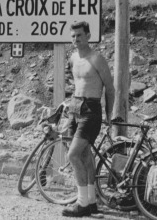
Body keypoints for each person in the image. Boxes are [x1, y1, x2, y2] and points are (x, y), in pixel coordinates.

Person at [62, 21, 115, 217]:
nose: (76, 39)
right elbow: (76, 83)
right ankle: (91, 202)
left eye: (80, 35)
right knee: (84, 156)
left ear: (88, 35)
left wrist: (109, 115)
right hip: (75, 107)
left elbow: (109, 89)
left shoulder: (97, 59)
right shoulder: (73, 57)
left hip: (91, 110)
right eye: (73, 36)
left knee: (73, 155)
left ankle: (82, 202)